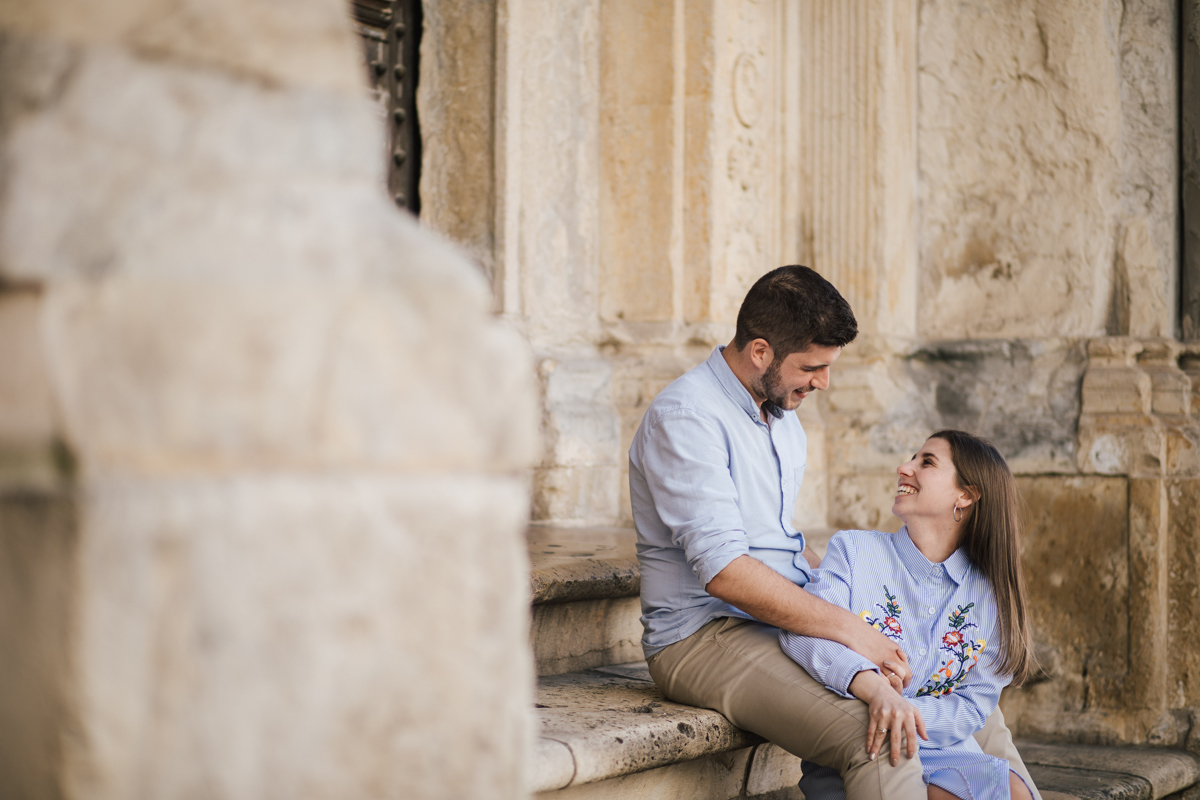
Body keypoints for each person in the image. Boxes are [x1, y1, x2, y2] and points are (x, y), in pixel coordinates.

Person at [628, 266, 1041, 800]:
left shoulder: (782, 417)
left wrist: (857, 581)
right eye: (812, 367)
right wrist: (853, 629)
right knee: (881, 730)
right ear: (760, 352)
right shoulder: (687, 417)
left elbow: (776, 541)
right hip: (707, 633)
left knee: (975, 709)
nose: (823, 382)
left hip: (785, 612)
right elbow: (726, 573)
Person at [780, 431, 1035, 800]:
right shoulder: (854, 552)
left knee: (1014, 792)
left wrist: (903, 710)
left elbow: (973, 704)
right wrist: (871, 689)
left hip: (945, 750)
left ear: (965, 495)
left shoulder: (991, 595)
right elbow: (806, 634)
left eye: (926, 462)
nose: (904, 467)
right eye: (912, 458)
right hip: (865, 746)